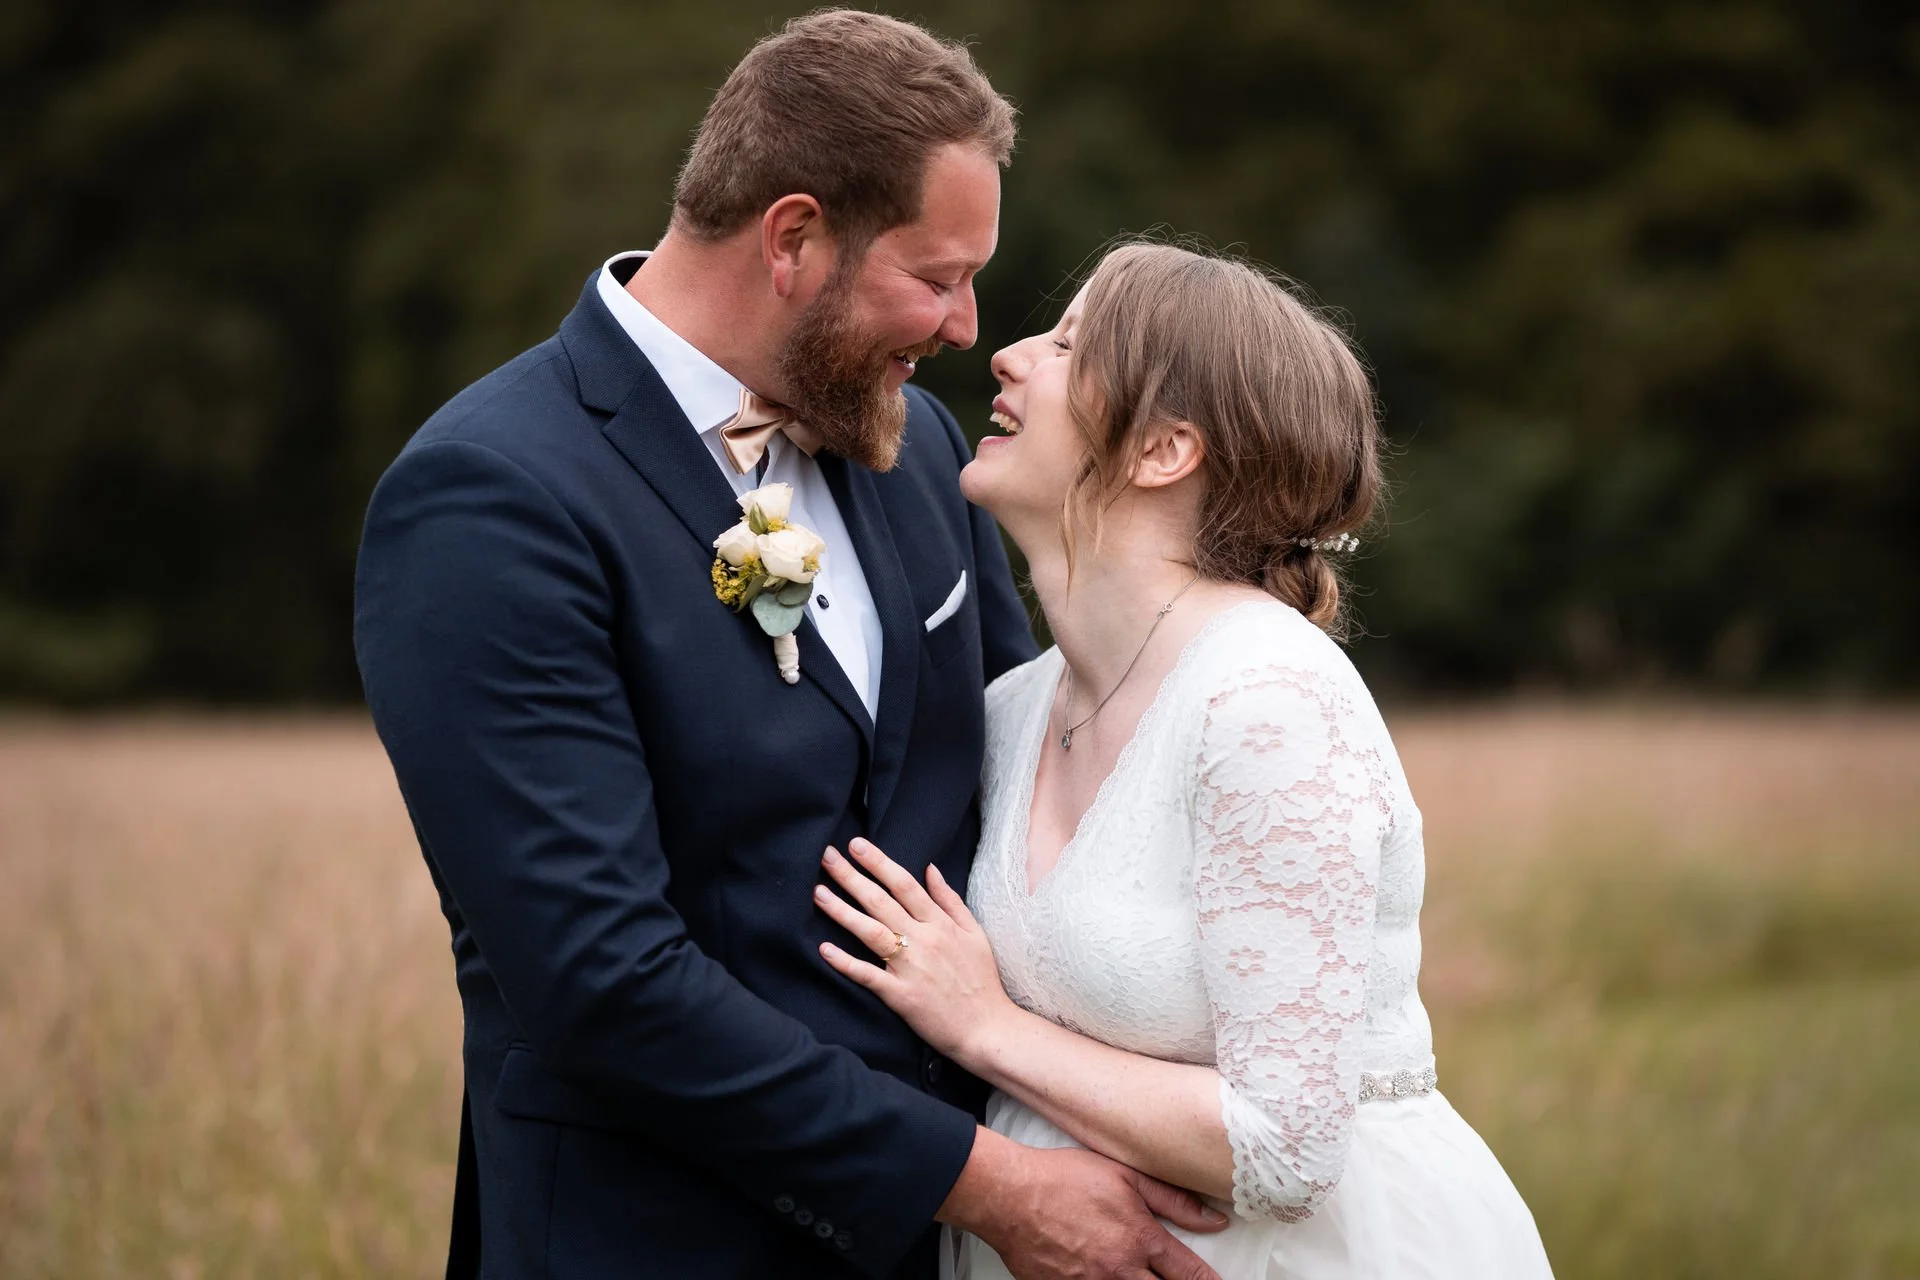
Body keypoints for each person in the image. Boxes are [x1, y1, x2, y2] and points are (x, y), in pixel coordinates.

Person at [353, 14, 1228, 1280]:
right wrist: (990, 1186)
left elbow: (1032, 800)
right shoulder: (489, 496)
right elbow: (601, 978)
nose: (967, 326)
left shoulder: (925, 453)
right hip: (652, 1239)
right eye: (936, 277)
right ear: (796, 238)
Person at [814, 241, 1557, 1279]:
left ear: (1165, 449)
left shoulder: (1267, 701)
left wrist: (985, 1025)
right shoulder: (1016, 706)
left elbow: (1286, 1142)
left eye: (1069, 343)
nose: (1008, 356)